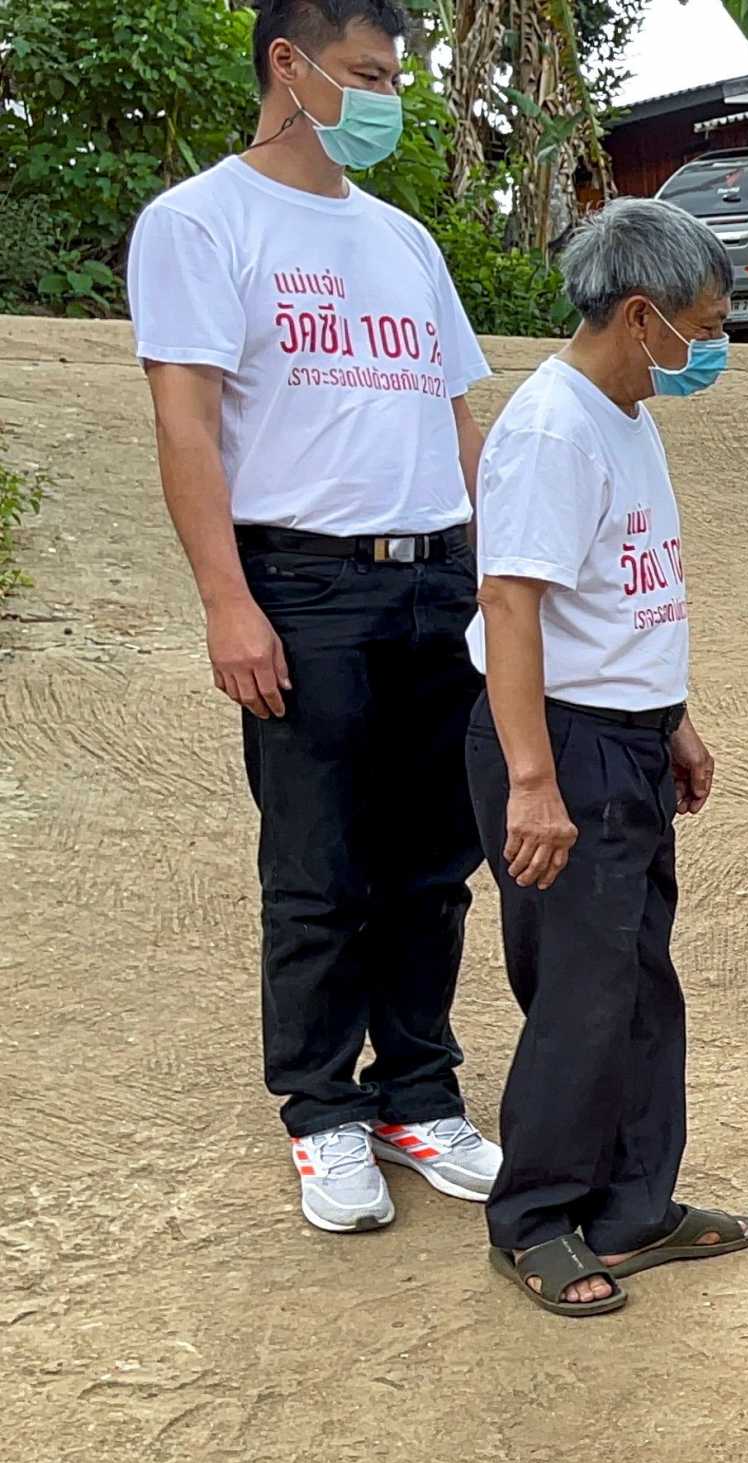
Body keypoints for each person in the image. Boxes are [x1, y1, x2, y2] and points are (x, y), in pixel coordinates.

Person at [131, 0, 502, 1234]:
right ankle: (322, 1113)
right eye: (366, 72)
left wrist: (493, 583)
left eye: (396, 74)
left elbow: (459, 415)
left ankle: (418, 1094)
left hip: (436, 577)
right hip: (303, 584)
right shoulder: (199, 224)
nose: (388, 95)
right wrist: (228, 604)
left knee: (434, 863)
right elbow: (185, 426)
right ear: (288, 65)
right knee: (318, 869)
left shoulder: (403, 242)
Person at [463, 199, 748, 1316]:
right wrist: (532, 781)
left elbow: (628, 594)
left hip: (625, 737)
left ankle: (634, 1207)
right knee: (579, 993)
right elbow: (510, 605)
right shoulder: (552, 430)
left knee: (639, 983)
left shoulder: (627, 413)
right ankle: (536, 1220)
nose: (711, 345)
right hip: (563, 744)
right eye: (702, 323)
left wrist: (670, 720)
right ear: (640, 317)